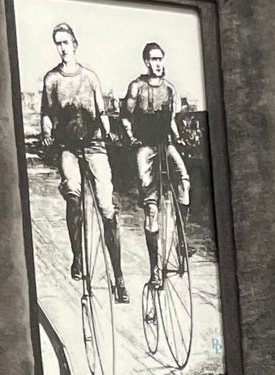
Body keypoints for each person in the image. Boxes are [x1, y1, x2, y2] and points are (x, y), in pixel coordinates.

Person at [40, 22, 127, 305]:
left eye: (66, 42)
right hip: (67, 147)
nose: (62, 48)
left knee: (106, 207)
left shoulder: (90, 77)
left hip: (94, 145)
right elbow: (46, 114)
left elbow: (101, 111)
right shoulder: (51, 80)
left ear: (75, 44)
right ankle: (78, 256)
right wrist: (46, 133)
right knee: (73, 193)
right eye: (58, 43)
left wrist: (108, 132)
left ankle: (119, 277)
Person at [120, 41, 188, 292]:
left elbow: (171, 120)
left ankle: (182, 241)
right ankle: (155, 271)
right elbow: (125, 117)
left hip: (165, 144)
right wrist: (129, 135)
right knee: (151, 208)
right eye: (153, 59)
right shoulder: (136, 87)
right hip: (145, 147)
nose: (157, 64)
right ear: (146, 62)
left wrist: (177, 136)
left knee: (184, 180)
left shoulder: (170, 89)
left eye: (160, 59)